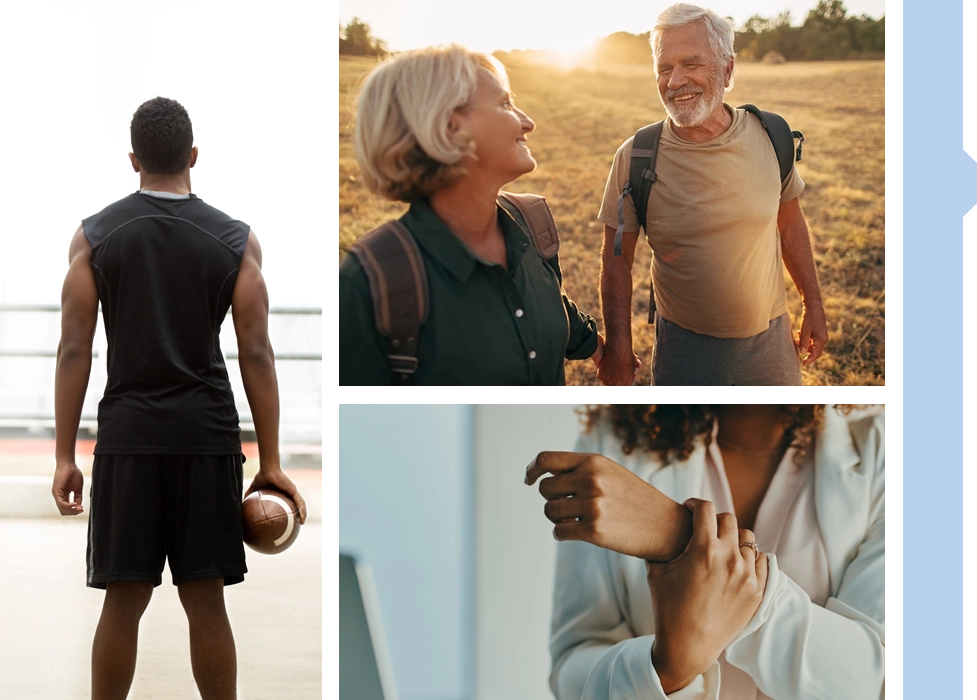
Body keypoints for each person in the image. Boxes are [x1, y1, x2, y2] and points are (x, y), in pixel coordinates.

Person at [50, 96, 307, 700]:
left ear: (134, 159)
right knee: (206, 603)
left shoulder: (93, 238)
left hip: (129, 443)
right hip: (206, 439)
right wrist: (269, 462)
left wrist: (65, 455)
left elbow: (72, 350)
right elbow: (258, 355)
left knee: (122, 603)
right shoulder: (237, 242)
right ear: (193, 156)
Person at [526, 402, 886, 699]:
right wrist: (666, 672)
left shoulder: (887, 450)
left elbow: (879, 682)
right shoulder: (613, 440)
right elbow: (572, 666)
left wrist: (677, 536)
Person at [337, 45, 638, 389]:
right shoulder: (367, 283)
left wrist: (602, 350)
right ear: (449, 126)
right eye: (504, 103)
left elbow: (548, 300)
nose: (528, 122)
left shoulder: (530, 219)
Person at [597, 4, 828, 388]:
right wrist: (620, 346)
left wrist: (813, 305)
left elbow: (789, 225)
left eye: (691, 64)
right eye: (664, 68)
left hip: (771, 345)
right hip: (684, 352)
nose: (675, 81)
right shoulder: (636, 156)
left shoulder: (771, 136)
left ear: (728, 69)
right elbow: (617, 258)